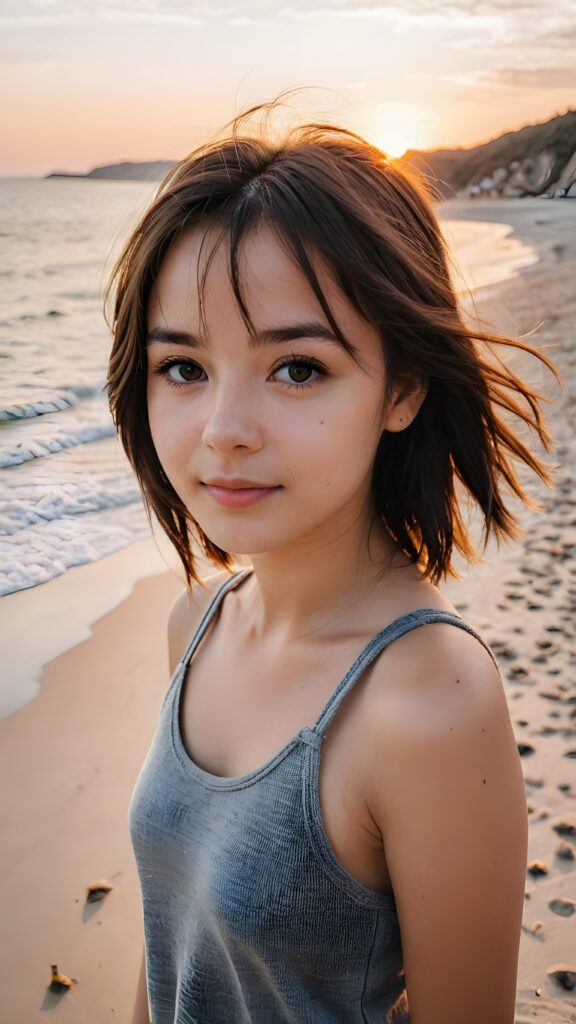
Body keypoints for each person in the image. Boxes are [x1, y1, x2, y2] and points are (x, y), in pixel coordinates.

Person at [106, 99, 555, 1024]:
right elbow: (170, 947)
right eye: (183, 368)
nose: (224, 433)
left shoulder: (429, 701)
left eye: (297, 368)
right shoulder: (196, 622)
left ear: (402, 388)